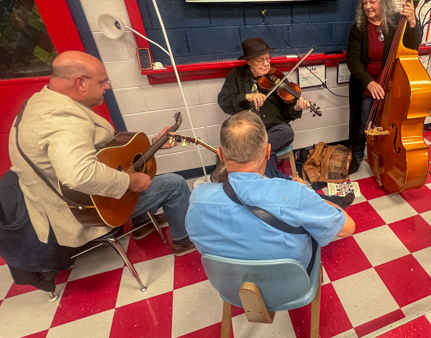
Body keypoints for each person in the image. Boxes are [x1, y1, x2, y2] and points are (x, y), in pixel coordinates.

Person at [8, 51, 196, 256]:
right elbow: (80, 174)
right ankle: (183, 242)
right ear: (79, 82)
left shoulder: (41, 101)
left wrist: (154, 145)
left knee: (139, 174)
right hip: (83, 209)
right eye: (102, 81)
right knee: (175, 184)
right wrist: (130, 182)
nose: (108, 86)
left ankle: (142, 224)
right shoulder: (62, 119)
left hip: (72, 198)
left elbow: (102, 155)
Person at [186, 111, 355, 270]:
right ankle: (331, 203)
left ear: (220, 155)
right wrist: (308, 193)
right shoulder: (296, 194)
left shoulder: (197, 199)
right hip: (292, 284)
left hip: (231, 287)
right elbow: (348, 227)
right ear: (268, 152)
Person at [346, 0, 422, 164]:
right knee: (361, 124)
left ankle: (382, 155)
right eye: (365, 3)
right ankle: (356, 156)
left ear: (383, 0)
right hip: (366, 86)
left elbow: (413, 45)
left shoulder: (397, 21)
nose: (367, 7)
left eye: (372, 2)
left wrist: (412, 21)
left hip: (392, 85)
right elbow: (353, 60)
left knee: (387, 123)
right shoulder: (359, 28)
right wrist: (369, 82)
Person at [217, 37, 312, 166]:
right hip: (248, 129)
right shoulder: (236, 75)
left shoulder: (277, 77)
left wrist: (297, 108)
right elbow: (224, 102)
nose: (266, 64)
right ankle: (267, 177)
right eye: (260, 60)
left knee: (286, 133)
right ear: (249, 61)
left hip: (274, 128)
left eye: (268, 59)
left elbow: (287, 112)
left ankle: (248, 156)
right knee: (264, 150)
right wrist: (247, 97)